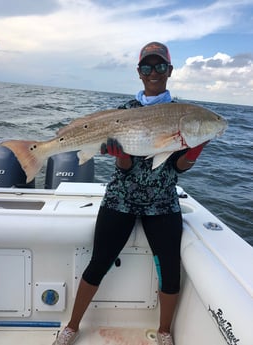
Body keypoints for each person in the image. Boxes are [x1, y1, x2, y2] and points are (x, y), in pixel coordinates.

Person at [53, 42, 207, 345]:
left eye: (160, 66)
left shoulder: (183, 115)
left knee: (171, 272)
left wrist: (196, 150)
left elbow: (177, 167)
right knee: (99, 262)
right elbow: (124, 166)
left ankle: (164, 332)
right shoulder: (124, 112)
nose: (154, 72)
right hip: (120, 198)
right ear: (139, 73)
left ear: (170, 71)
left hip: (163, 202)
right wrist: (120, 157)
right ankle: (71, 326)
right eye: (147, 67)